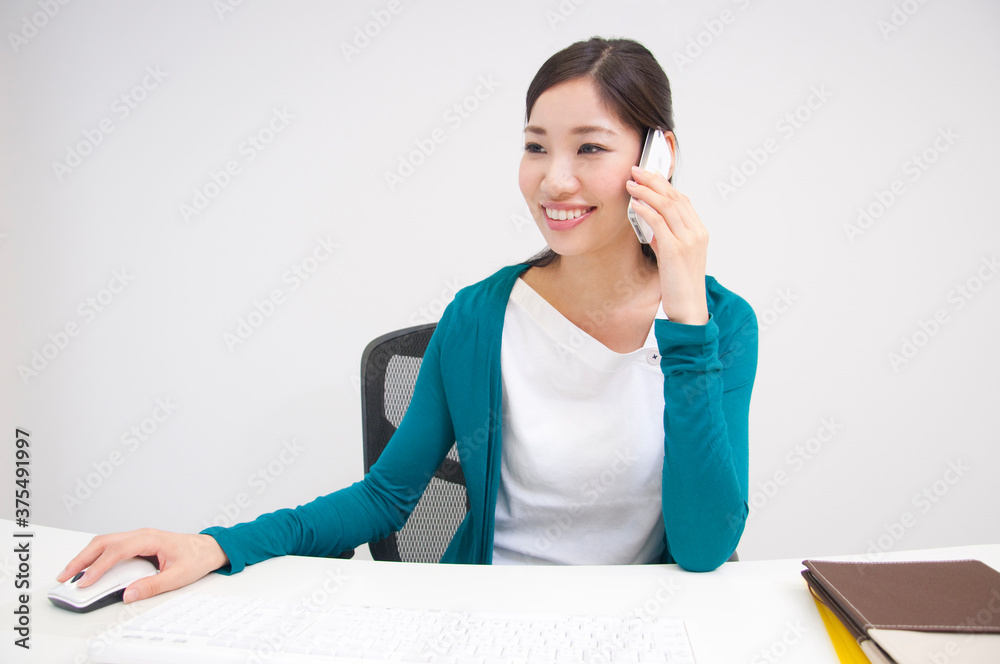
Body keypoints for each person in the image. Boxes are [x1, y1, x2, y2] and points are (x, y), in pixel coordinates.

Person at [58, 36, 757, 603]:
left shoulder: (721, 325)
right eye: (536, 145)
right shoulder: (480, 316)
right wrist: (217, 545)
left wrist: (685, 320)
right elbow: (386, 497)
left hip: (637, 627)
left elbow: (704, 548)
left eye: (591, 147)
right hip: (482, 620)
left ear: (656, 156)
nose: (554, 180)